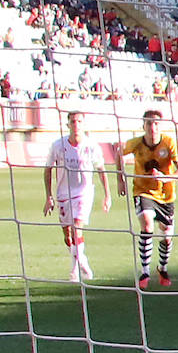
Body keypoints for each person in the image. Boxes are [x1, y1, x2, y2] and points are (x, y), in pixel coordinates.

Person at [115, 109, 178, 290]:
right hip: (142, 191)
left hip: (166, 196)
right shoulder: (136, 143)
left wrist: (165, 178)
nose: (152, 127)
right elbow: (118, 152)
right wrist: (120, 180)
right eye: (148, 123)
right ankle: (144, 272)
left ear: (160, 126)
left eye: (156, 123)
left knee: (167, 235)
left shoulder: (170, 143)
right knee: (147, 224)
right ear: (143, 125)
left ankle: (162, 269)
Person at [43, 110, 111, 282]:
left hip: (84, 193)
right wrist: (48, 197)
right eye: (73, 122)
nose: (76, 125)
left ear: (83, 124)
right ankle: (82, 260)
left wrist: (107, 195)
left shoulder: (91, 146)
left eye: (79, 121)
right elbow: (48, 169)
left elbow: (101, 170)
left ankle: (74, 271)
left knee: (77, 228)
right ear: (68, 125)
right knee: (68, 235)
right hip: (63, 194)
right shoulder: (58, 145)